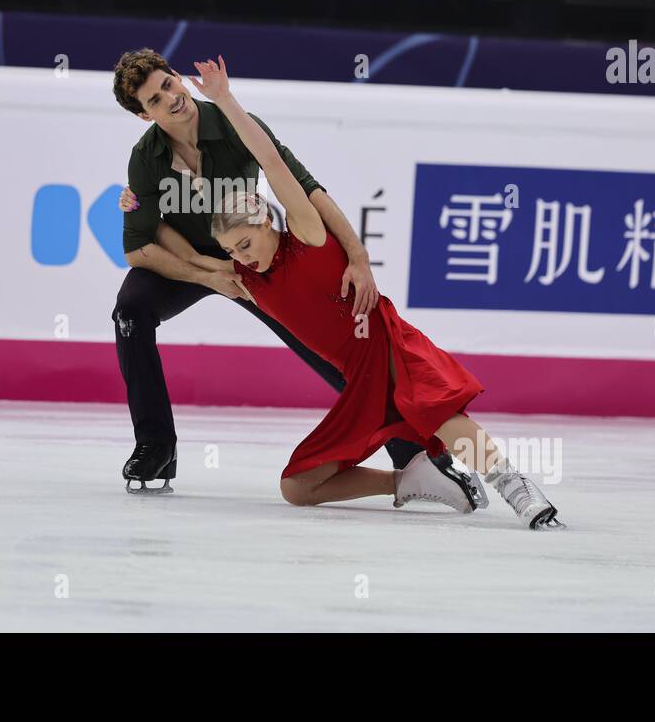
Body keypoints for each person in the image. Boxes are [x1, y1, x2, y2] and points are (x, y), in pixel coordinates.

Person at [195, 55, 565, 528]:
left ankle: (516, 487)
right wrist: (135, 210)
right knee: (297, 487)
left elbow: (270, 159)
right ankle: (408, 482)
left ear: (268, 221)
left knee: (435, 408)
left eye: (245, 243)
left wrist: (225, 101)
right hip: (360, 382)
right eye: (231, 250)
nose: (242, 256)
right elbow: (167, 258)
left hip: (386, 343)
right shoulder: (246, 280)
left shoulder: (308, 235)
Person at [110, 48, 460, 494]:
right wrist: (208, 273)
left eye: (167, 84)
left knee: (328, 342)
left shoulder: (237, 125)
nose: (170, 98)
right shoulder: (146, 159)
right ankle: (156, 447)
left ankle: (412, 452)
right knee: (130, 311)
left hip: (252, 257)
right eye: (154, 101)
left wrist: (357, 255)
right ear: (144, 116)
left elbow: (307, 186)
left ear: (178, 77)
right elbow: (139, 249)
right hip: (192, 264)